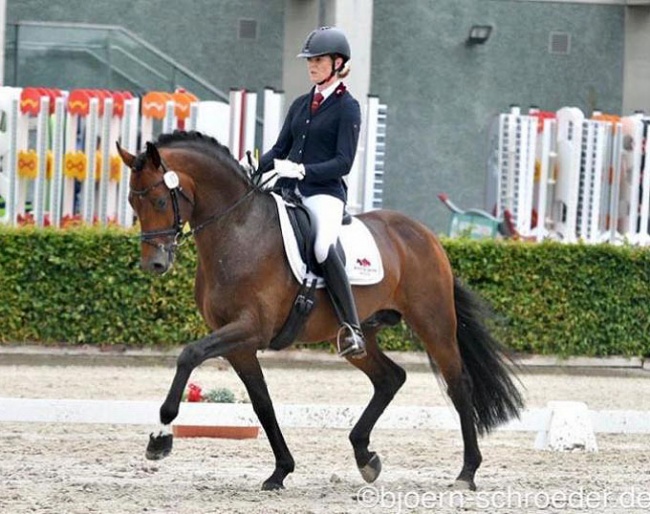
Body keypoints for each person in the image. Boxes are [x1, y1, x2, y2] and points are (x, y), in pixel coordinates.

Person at [241, 26, 365, 359]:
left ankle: (351, 327)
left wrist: (304, 170)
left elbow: (343, 162)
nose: (312, 65)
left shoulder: (347, 108)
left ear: (338, 63)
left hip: (324, 192)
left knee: (323, 246)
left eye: (319, 60)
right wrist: (251, 167)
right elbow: (280, 149)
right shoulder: (300, 104)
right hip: (288, 191)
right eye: (310, 60)